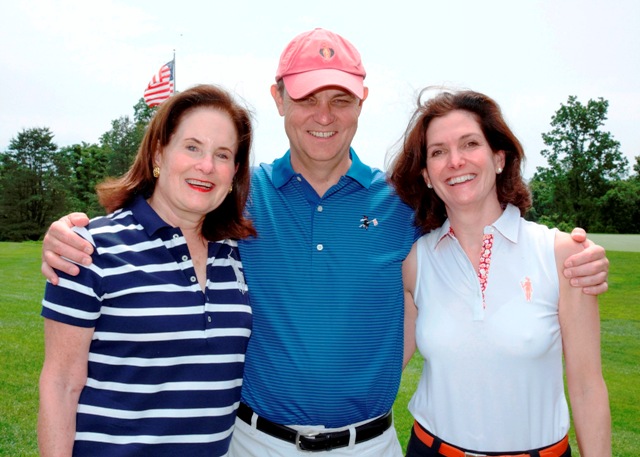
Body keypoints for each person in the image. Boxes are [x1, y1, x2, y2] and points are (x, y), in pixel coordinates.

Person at [40, 29, 610, 456]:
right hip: (254, 442)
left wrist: (571, 254)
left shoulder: (401, 205)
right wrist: (67, 232)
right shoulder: (237, 198)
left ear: (362, 103)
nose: (324, 116)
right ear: (280, 98)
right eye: (308, 98)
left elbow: (471, 231)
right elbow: (172, 207)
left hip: (371, 445)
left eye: (341, 99)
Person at [389, 89, 611, 456]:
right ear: (427, 176)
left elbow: (588, 386)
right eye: (438, 152)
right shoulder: (416, 261)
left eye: (470, 143)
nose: (455, 161)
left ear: (498, 158)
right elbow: (384, 363)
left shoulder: (563, 255)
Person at [38, 84, 256, 457]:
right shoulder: (89, 248)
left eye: (222, 155)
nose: (206, 166)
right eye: (192, 147)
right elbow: (60, 384)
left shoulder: (236, 254)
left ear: (234, 172)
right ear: (159, 152)